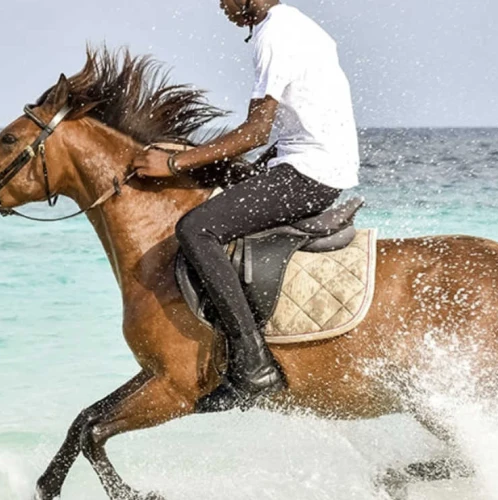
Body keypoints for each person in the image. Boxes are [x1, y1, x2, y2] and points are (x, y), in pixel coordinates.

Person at [130, 0, 359, 411]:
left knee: (196, 229)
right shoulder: (294, 24)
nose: (221, 6)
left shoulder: (274, 34)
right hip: (307, 163)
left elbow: (255, 132)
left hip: (310, 173)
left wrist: (174, 163)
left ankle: (254, 366)